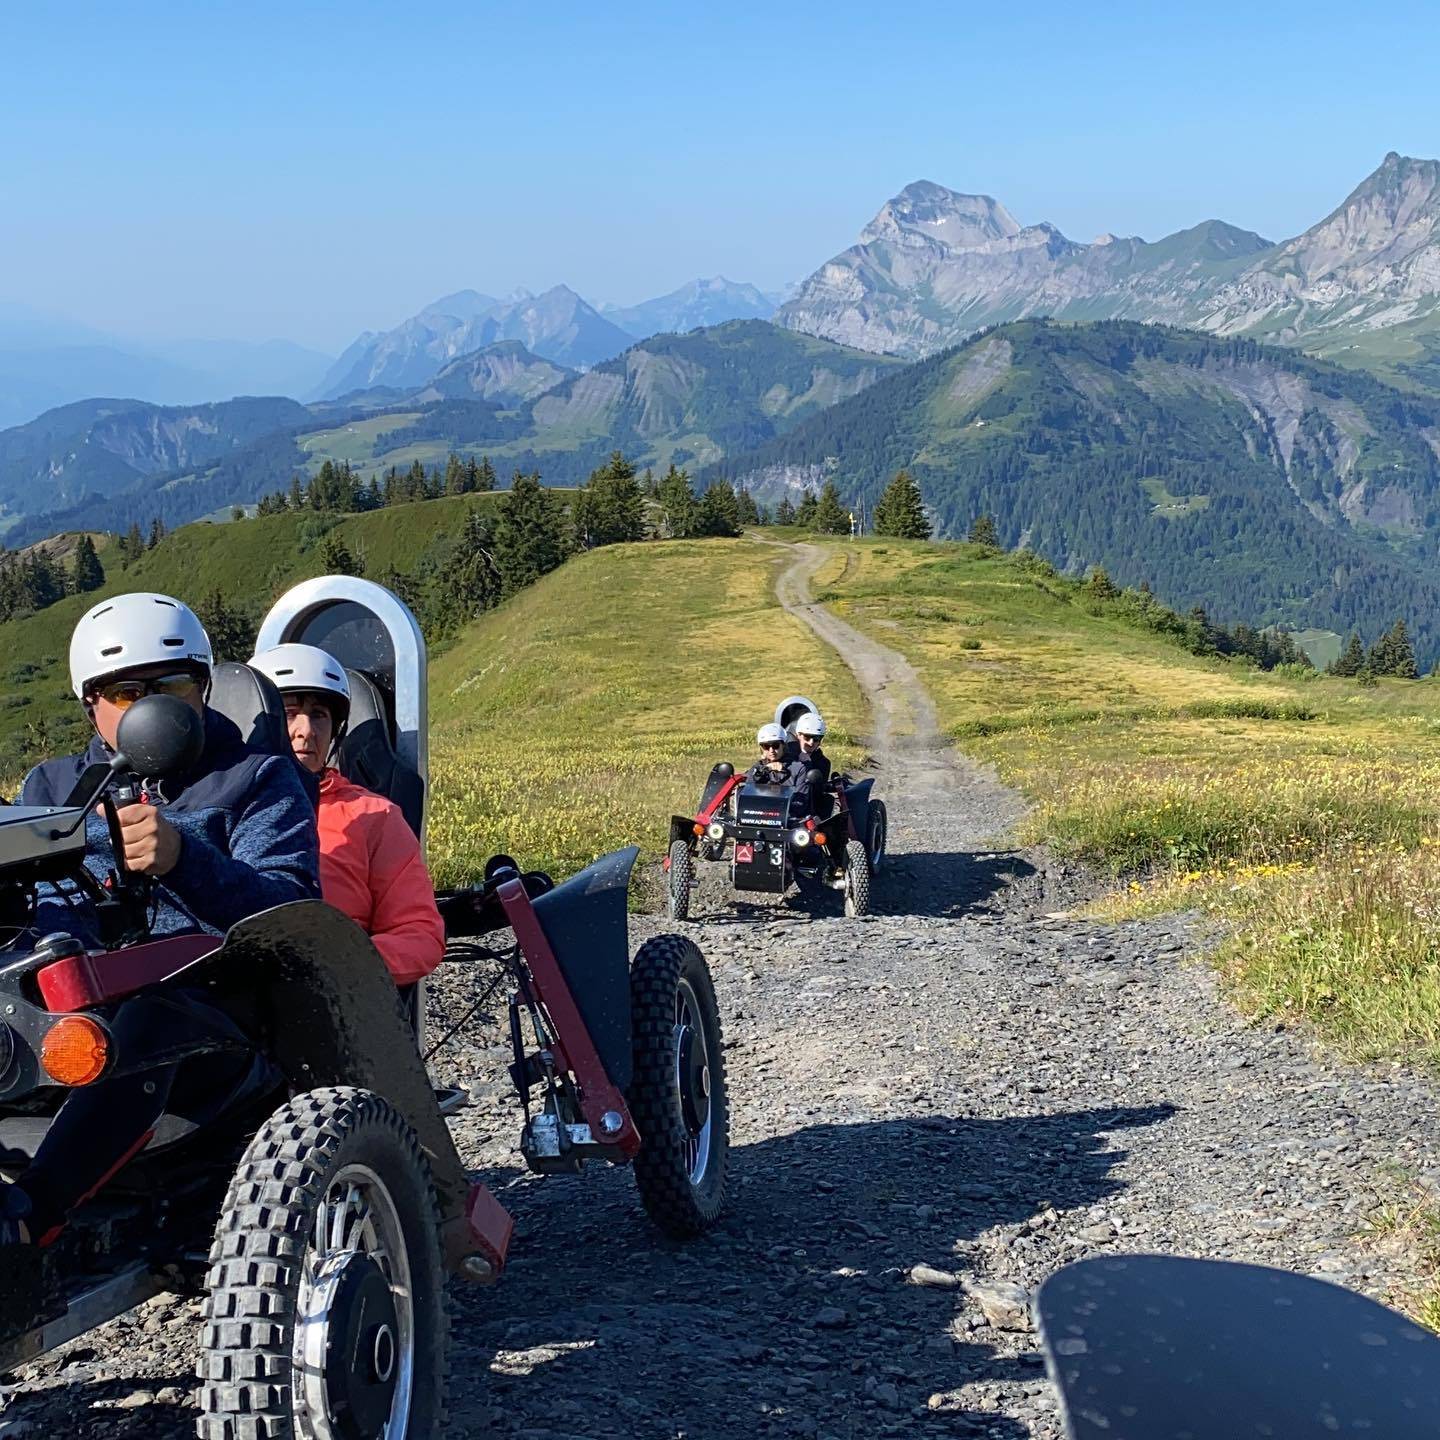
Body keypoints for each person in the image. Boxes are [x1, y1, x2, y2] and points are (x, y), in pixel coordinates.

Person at [2, 593, 321, 1245]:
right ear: (91, 704)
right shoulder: (52, 789)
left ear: (203, 689)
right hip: (65, 1009)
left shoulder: (255, 779)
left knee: (147, 1017)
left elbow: (291, 915)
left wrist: (183, 859)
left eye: (170, 687)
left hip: (217, 1022)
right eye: (125, 692)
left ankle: (31, 1218)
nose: (151, 708)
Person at [251, 643, 445, 986]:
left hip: (332, 1006)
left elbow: (418, 934)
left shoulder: (374, 815)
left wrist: (338, 965)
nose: (306, 730)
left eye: (319, 715)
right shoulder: (216, 806)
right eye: (290, 713)